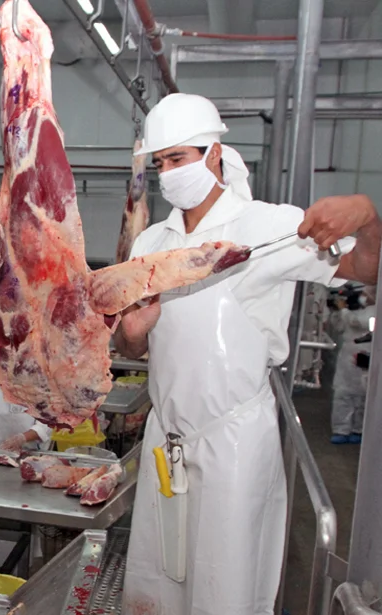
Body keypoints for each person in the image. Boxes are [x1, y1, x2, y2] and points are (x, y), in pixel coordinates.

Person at [114, 93, 382, 615]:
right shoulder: (151, 242)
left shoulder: (268, 226)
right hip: (165, 437)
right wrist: (134, 334)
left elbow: (367, 269)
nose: (168, 173)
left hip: (232, 439)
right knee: (156, 581)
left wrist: (367, 216)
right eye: (160, 163)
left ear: (214, 154)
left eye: (179, 158)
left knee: (226, 584)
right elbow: (130, 345)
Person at [330, 285, 374, 444]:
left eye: (365, 294)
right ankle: (341, 429)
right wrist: (337, 312)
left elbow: (359, 322)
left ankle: (358, 429)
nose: (363, 297)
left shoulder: (375, 311)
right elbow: (339, 327)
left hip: (367, 355)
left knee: (364, 395)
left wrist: (343, 310)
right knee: (343, 393)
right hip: (347, 356)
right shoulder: (352, 310)